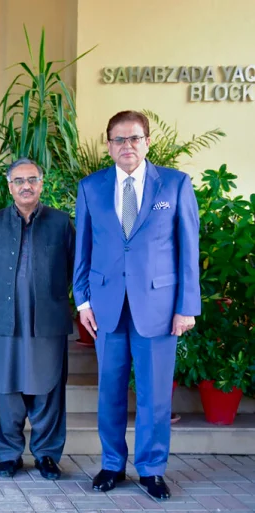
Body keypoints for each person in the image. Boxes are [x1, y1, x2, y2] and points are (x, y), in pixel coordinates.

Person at [73, 110, 200, 500]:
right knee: (109, 392)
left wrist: (187, 306)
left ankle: (151, 469)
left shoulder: (175, 184)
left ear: (147, 142)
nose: (126, 146)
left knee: (155, 394)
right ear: (108, 144)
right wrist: (82, 301)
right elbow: (83, 248)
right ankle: (112, 464)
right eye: (118, 139)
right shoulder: (91, 187)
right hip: (107, 307)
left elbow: (188, 249)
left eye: (134, 138)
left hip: (158, 308)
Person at [0, 158, 74, 480]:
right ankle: (9, 454)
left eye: (32, 179)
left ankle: (47, 455)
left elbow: (74, 265)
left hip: (47, 319)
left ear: (41, 184)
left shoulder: (60, 222)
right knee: (4, 387)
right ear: (9, 187)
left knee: (48, 387)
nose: (26, 186)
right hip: (4, 319)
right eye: (19, 181)